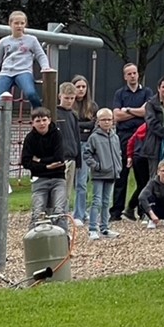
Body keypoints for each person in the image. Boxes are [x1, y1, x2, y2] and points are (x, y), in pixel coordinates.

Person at [0, 10, 51, 139]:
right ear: (10, 24)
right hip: (6, 72)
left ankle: (41, 117)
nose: (19, 26)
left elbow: (40, 55)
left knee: (30, 93)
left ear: (25, 24)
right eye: (16, 23)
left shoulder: (31, 40)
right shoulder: (4, 41)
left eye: (22, 23)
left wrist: (45, 67)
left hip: (23, 71)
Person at [111, 63, 149, 223]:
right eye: (129, 74)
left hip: (142, 136)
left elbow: (146, 112)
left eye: (134, 73)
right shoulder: (120, 93)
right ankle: (116, 212)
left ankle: (142, 210)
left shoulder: (147, 92)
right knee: (121, 175)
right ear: (125, 76)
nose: (132, 76)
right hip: (124, 136)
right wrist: (136, 111)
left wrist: (127, 110)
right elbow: (116, 116)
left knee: (143, 177)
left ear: (138, 75)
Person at [20, 107, 68, 231]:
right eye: (38, 121)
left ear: (49, 120)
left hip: (58, 177)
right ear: (33, 123)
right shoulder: (30, 138)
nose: (41, 123)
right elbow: (26, 162)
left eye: (44, 120)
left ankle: (63, 240)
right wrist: (46, 166)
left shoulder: (57, 134)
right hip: (39, 179)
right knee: (37, 211)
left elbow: (59, 158)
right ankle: (34, 240)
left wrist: (39, 160)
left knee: (59, 211)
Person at [82, 108, 121, 240]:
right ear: (98, 122)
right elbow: (87, 154)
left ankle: (105, 227)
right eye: (103, 119)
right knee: (97, 201)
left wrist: (118, 167)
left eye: (109, 119)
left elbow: (118, 153)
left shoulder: (115, 136)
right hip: (99, 174)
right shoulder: (94, 137)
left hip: (112, 173)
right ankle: (93, 228)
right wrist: (96, 166)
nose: (107, 122)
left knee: (106, 202)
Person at [71, 74, 98, 226]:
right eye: (78, 86)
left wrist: (80, 127)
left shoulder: (92, 106)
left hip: (86, 146)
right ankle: (77, 212)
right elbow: (71, 126)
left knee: (83, 180)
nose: (81, 90)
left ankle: (80, 212)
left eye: (83, 87)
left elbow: (93, 125)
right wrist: (83, 127)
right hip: (71, 146)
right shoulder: (69, 106)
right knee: (73, 180)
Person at [55, 80, 83, 226]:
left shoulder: (73, 115)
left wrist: (79, 160)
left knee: (67, 193)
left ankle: (63, 219)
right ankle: (58, 220)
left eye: (72, 98)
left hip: (72, 157)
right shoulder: (54, 113)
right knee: (59, 192)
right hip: (61, 158)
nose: (69, 101)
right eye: (67, 98)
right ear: (60, 96)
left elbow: (76, 137)